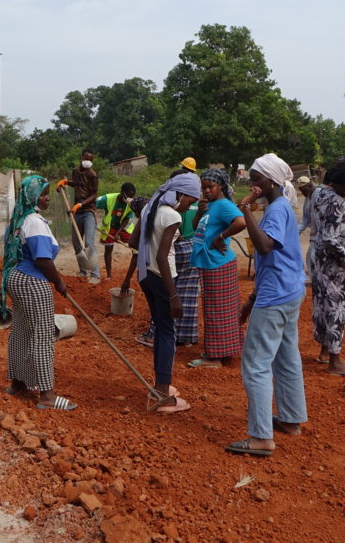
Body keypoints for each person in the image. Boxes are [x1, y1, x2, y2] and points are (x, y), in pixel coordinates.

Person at [226, 153, 307, 457]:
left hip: (276, 298)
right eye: (251, 180)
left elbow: (264, 246)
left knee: (256, 364)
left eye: (256, 179)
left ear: (271, 181)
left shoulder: (276, 210)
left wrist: (246, 209)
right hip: (288, 292)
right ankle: (290, 419)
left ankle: (261, 437)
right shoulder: (281, 207)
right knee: (286, 358)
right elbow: (273, 260)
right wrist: (250, 299)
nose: (252, 184)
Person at [128, 172, 201, 413]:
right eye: (191, 200)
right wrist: (174, 295)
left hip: (145, 275)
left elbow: (132, 242)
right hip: (162, 277)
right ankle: (163, 394)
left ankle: (162, 386)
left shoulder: (151, 207)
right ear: (180, 194)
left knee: (160, 328)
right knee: (168, 331)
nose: (190, 205)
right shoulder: (171, 215)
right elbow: (162, 256)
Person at [3, 176, 77, 409]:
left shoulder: (18, 220)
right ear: (32, 196)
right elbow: (43, 259)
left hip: (15, 279)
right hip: (33, 281)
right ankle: (47, 396)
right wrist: (59, 282)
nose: (46, 198)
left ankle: (18, 384)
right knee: (43, 337)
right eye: (43, 194)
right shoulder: (34, 221)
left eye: (47, 193)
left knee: (22, 333)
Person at [308, 161, 345, 377]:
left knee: (322, 304)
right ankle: (335, 361)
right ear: (338, 184)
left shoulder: (319, 193)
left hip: (318, 258)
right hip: (332, 263)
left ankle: (324, 351)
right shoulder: (337, 201)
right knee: (335, 307)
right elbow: (330, 238)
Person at [189, 168, 247, 368]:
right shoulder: (209, 205)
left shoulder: (223, 205)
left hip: (218, 263)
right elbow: (196, 226)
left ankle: (213, 357)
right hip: (212, 262)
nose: (206, 191)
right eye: (203, 187)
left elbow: (241, 222)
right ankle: (225, 350)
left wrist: (220, 237)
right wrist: (200, 211)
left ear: (220, 186)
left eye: (210, 187)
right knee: (221, 310)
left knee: (216, 310)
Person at [76, 182, 137, 281]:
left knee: (135, 245)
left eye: (132, 196)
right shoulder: (107, 199)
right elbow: (92, 205)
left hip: (124, 227)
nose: (130, 198)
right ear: (122, 192)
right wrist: (92, 218)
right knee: (108, 249)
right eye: (128, 196)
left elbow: (127, 219)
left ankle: (137, 268)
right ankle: (109, 275)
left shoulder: (131, 204)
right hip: (109, 227)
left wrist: (118, 234)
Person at [59, 149, 100, 283]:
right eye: (86, 158)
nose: (88, 162)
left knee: (88, 242)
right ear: (81, 157)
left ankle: (95, 274)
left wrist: (81, 205)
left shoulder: (93, 175)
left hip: (88, 211)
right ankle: (82, 271)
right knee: (77, 243)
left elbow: (94, 194)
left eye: (91, 160)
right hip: (77, 212)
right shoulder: (76, 171)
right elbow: (77, 185)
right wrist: (66, 182)